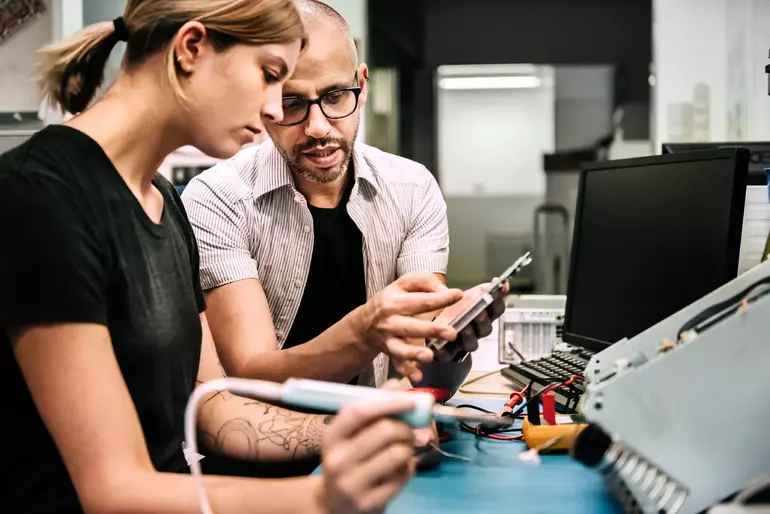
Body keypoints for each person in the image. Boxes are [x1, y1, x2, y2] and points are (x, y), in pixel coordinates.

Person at [0, 2, 467, 513]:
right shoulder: (42, 198)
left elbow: (215, 406)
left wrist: (357, 432)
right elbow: (114, 489)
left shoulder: (161, 202)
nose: (274, 111)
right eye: (271, 77)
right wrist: (315, 498)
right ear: (191, 49)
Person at [181, 0, 507, 391]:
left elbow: (419, 344)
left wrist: (450, 339)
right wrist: (367, 331)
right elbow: (250, 374)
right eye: (291, 102)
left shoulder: (412, 189)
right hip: (260, 440)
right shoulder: (217, 198)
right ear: (265, 101)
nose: (318, 127)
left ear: (362, 86)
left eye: (336, 96)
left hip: (370, 431)